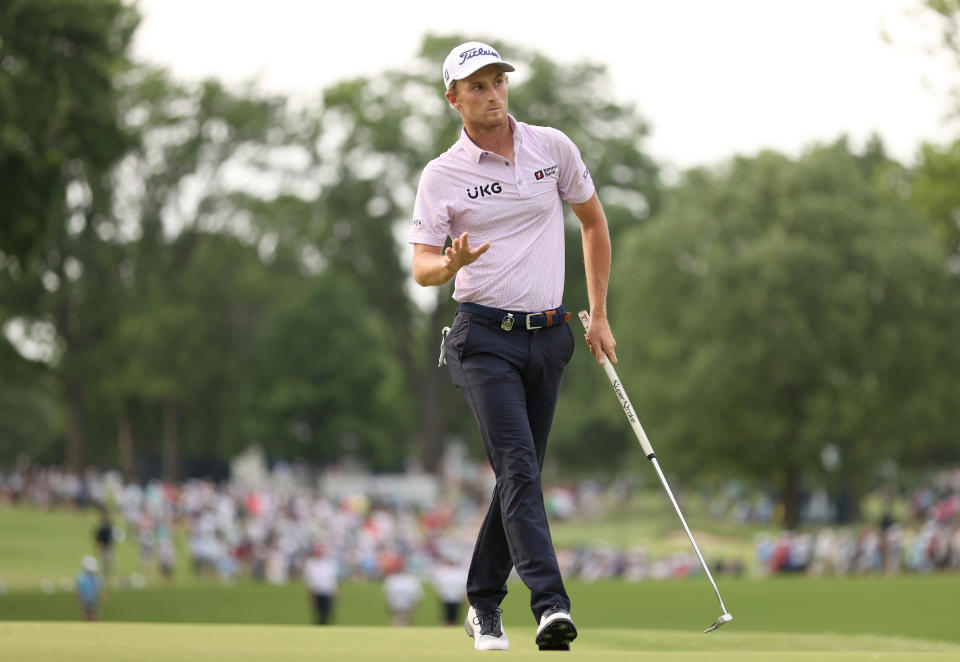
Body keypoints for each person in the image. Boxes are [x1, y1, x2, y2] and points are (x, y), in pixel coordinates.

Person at [410, 41, 617, 652]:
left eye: (498, 81)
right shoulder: (442, 175)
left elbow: (594, 222)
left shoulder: (552, 148)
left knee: (516, 477)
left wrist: (599, 314)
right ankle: (552, 606)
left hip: (550, 336)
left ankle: (481, 603)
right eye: (476, 86)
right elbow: (421, 266)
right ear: (454, 99)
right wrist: (447, 265)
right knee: (519, 468)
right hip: (483, 340)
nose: (492, 92)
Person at [302, 543, 338, 625]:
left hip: (327, 592)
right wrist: (310, 594)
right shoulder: (311, 564)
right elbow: (310, 581)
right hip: (317, 592)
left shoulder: (329, 564)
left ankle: (326, 629)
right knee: (318, 613)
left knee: (328, 613)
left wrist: (336, 592)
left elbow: (332, 580)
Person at [75, 555, 103, 621]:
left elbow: (98, 589)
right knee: (86, 614)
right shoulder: (81, 577)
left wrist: (101, 595)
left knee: (94, 614)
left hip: (92, 599)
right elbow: (78, 589)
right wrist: (79, 598)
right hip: (85, 599)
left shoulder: (96, 578)